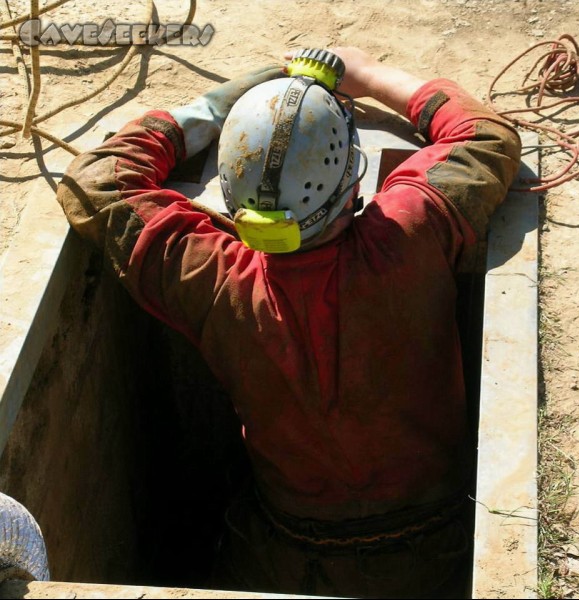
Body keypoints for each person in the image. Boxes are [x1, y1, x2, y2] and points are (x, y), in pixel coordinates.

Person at [56, 46, 521, 598]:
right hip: (433, 546)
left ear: (231, 200)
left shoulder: (210, 276)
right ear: (353, 182)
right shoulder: (409, 237)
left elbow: (99, 179)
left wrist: (224, 103)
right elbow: (484, 135)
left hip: (282, 551)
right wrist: (364, 75)